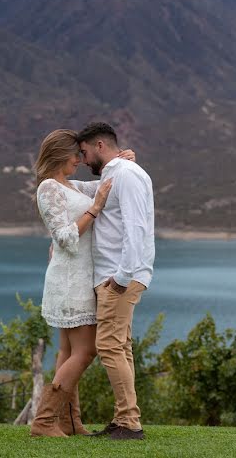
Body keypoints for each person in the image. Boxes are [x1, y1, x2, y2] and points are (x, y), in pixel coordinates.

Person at [29, 129, 135, 438]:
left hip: (80, 277)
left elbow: (104, 184)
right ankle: (45, 421)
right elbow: (63, 237)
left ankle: (70, 423)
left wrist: (121, 159)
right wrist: (95, 207)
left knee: (67, 352)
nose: (80, 159)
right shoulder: (48, 188)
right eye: (76, 154)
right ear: (61, 155)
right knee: (86, 352)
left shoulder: (70, 185)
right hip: (69, 280)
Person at [77, 122, 155, 441]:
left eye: (83, 153)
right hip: (114, 275)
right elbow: (83, 192)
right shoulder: (115, 173)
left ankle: (129, 423)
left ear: (99, 145)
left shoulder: (126, 174)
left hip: (120, 276)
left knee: (109, 345)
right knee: (120, 347)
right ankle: (124, 419)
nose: (82, 161)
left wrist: (122, 277)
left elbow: (136, 228)